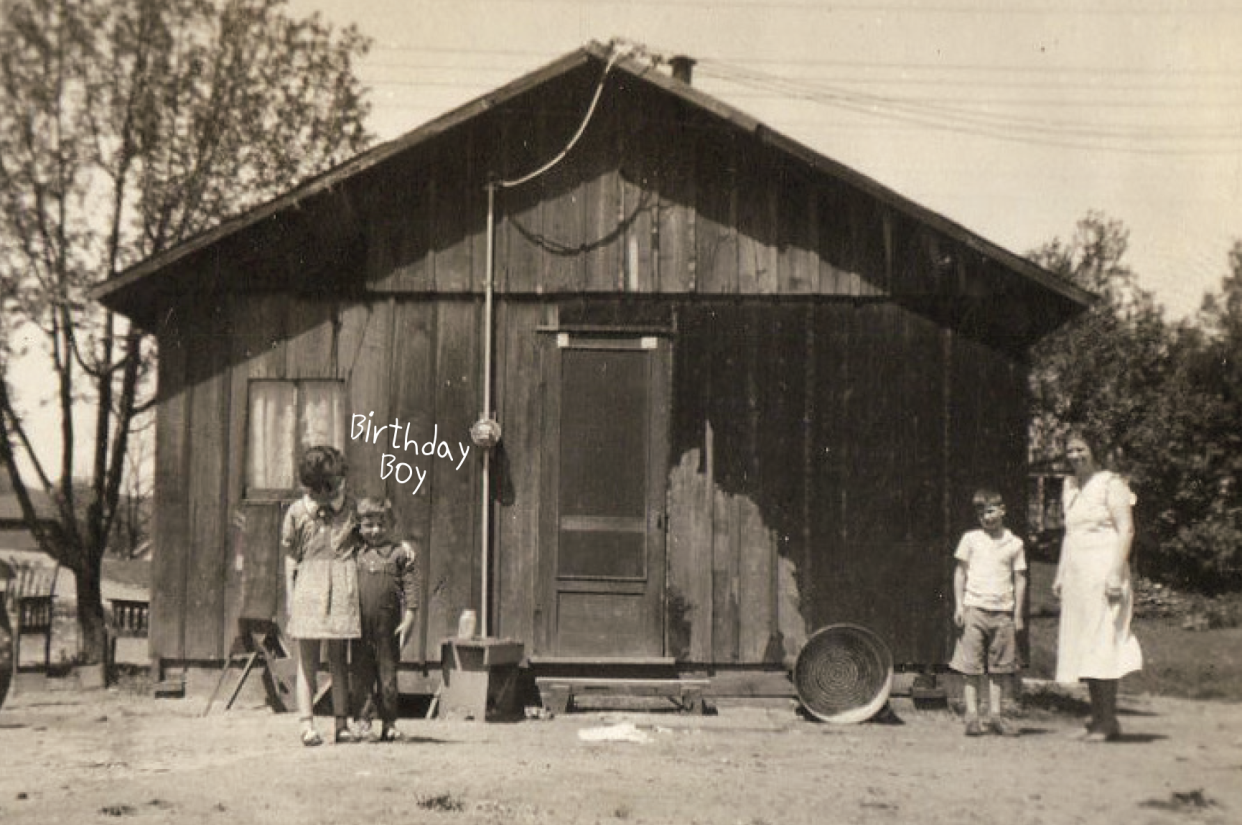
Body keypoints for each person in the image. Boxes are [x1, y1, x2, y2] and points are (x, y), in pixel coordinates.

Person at [1053, 426, 1142, 742]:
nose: (1075, 456)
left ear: (1095, 450)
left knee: (1102, 642)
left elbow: (1126, 530)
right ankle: (1099, 718)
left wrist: (1116, 573)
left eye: (1081, 449)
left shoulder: (1111, 484)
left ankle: (1108, 720)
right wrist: (1061, 574)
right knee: (1085, 646)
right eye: (1070, 450)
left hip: (1105, 574)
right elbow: (1071, 534)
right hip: (1079, 577)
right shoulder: (1070, 486)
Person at [283, 445, 362, 746]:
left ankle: (341, 724)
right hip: (309, 590)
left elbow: (369, 538)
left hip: (342, 587)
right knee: (307, 662)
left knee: (340, 660)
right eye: (326, 487)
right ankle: (307, 724)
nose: (331, 492)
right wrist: (291, 596)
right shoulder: (296, 512)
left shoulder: (351, 508)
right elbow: (291, 556)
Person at [949, 487, 1028, 737]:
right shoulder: (971, 539)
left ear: (1003, 510)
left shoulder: (1014, 544)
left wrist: (1016, 615)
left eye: (991, 511)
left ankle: (996, 716)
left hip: (1003, 612)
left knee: (1000, 667)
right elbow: (960, 573)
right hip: (975, 609)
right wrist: (960, 606)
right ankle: (972, 716)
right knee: (970, 665)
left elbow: (1020, 579)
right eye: (982, 513)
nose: (987, 517)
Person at [350, 497, 421, 742]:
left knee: (388, 676)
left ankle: (389, 724)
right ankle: (363, 722)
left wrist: (410, 615)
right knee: (361, 675)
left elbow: (410, 588)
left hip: (387, 627)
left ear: (390, 525)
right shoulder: (355, 553)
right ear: (359, 526)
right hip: (359, 627)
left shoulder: (399, 554)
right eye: (368, 525)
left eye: (381, 524)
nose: (375, 530)